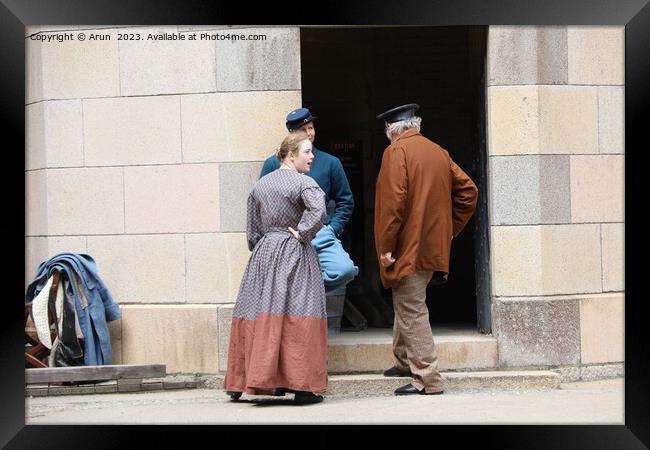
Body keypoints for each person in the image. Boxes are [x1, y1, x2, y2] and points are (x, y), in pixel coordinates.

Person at [374, 103, 478, 396]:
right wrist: (447, 231)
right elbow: (469, 192)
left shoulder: (396, 152)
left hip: (408, 248)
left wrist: (386, 248)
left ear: (391, 130)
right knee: (407, 299)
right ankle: (404, 361)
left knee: (411, 307)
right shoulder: (438, 151)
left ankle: (428, 379)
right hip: (430, 247)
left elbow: (392, 205)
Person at [223, 130, 328, 405]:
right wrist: (302, 232)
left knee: (256, 312)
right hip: (293, 253)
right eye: (307, 151)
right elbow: (319, 211)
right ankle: (303, 387)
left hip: (263, 255)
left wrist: (264, 245)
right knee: (299, 312)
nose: (312, 156)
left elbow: (252, 231)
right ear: (291, 154)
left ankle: (240, 382)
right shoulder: (304, 183)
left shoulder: (260, 186)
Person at [260, 107, 358, 294]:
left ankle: (305, 288)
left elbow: (346, 201)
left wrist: (333, 228)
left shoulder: (331, 163)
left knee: (345, 271)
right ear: (292, 134)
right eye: (303, 130)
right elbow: (262, 203)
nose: (309, 133)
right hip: (285, 235)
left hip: (320, 233)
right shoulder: (272, 164)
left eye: (311, 128)